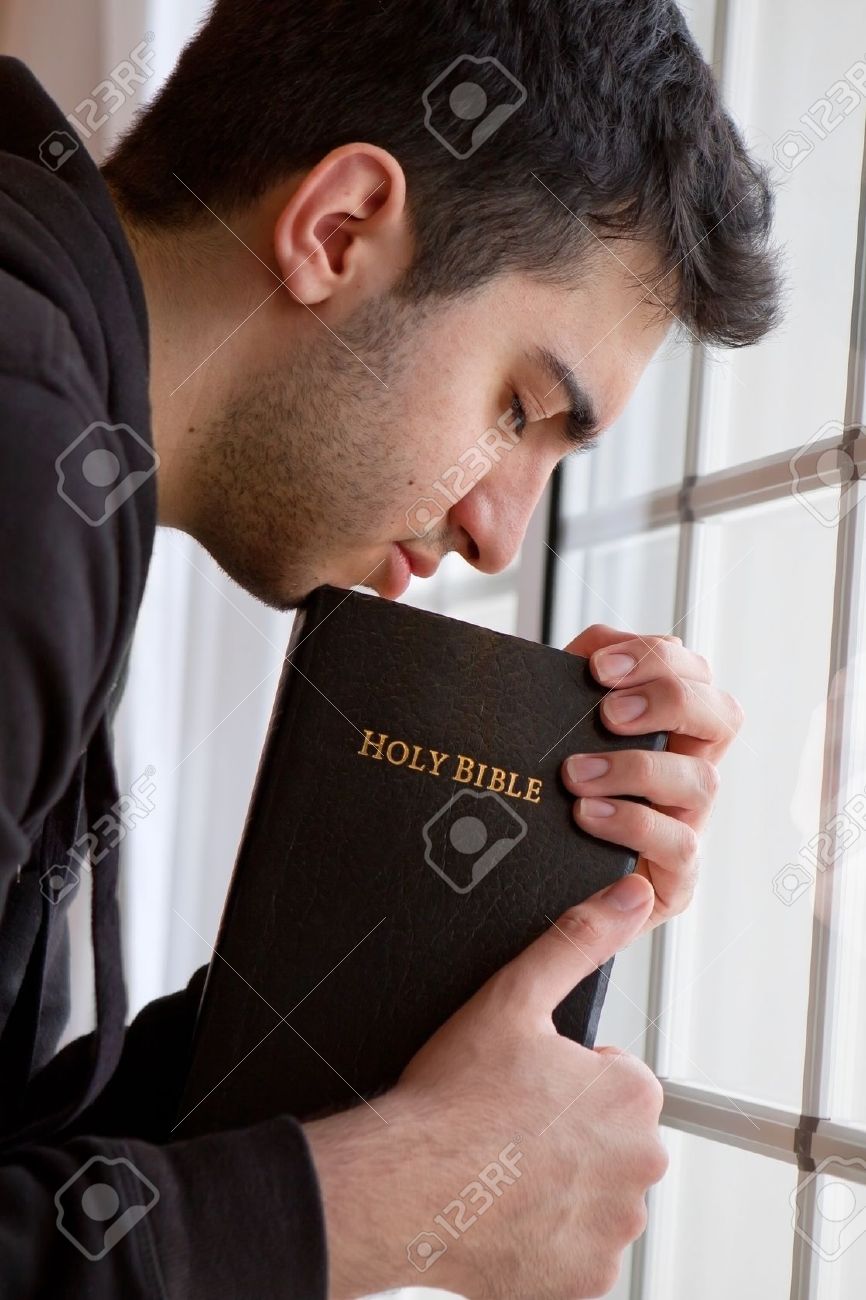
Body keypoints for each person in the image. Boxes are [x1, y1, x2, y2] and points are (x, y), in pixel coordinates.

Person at [0, 1, 777, 1296]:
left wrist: (451, 942)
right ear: (336, 227)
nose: (496, 533)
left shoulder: (63, 425)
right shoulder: (26, 468)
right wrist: (384, 1201)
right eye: (517, 408)